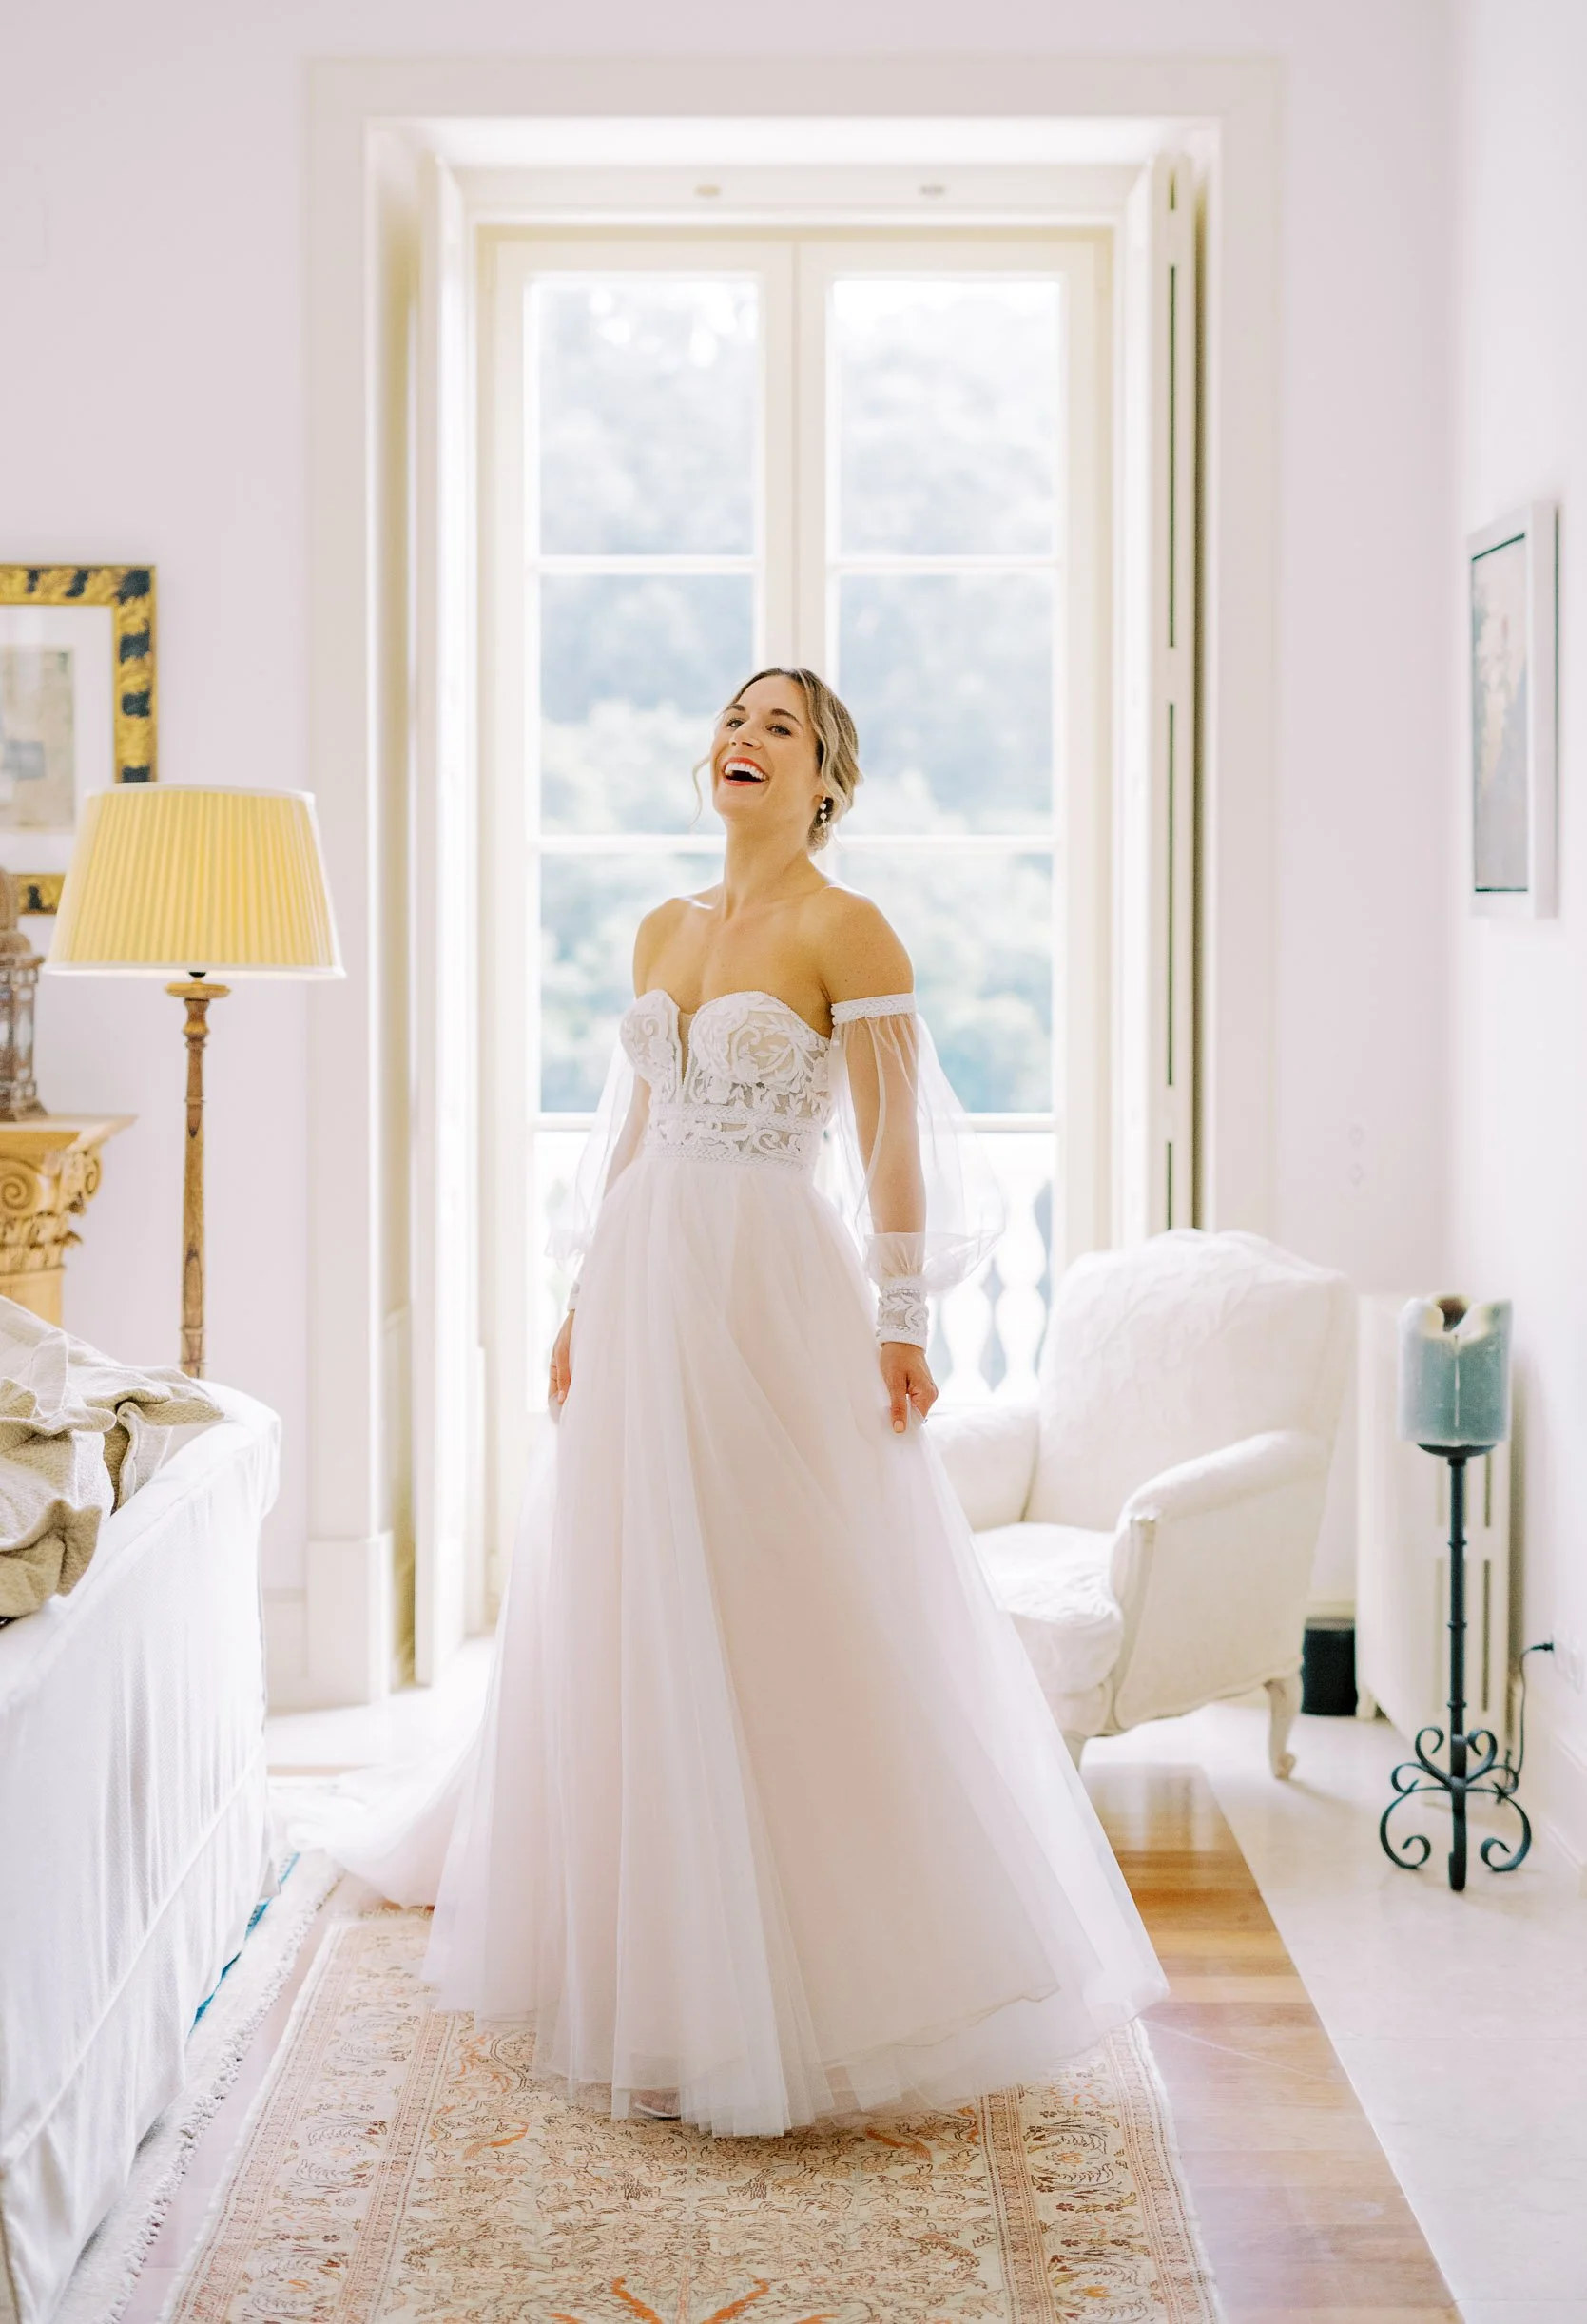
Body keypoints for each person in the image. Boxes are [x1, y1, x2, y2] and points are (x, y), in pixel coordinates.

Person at [291, 668, 1166, 2138]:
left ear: (827, 778)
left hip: (771, 1278)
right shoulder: (663, 927)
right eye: (731, 720)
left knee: (785, 1580)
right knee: (634, 1587)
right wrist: (579, 1300)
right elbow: (630, 1127)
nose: (742, 741)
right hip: (645, 1279)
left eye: (780, 727)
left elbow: (894, 1142)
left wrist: (901, 1317)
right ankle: (654, 1935)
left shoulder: (846, 924)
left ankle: (829, 1942)